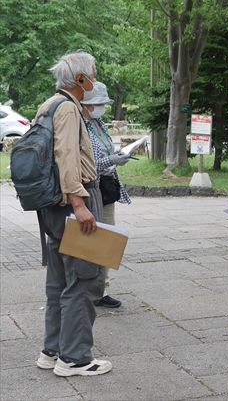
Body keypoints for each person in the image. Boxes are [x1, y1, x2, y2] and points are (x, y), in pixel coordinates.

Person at [34, 51, 112, 376]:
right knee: (83, 279)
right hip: (73, 201)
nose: (94, 79)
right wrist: (80, 204)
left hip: (50, 206)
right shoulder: (68, 108)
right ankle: (76, 358)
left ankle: (52, 351)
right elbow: (66, 156)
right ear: (80, 79)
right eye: (92, 74)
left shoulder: (48, 105)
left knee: (58, 280)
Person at [79, 81, 132, 309]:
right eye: (97, 103)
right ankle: (89, 289)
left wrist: (116, 155)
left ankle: (102, 288)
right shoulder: (80, 126)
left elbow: (106, 151)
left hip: (108, 187)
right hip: (91, 189)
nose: (101, 107)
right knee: (92, 240)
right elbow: (86, 165)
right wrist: (111, 160)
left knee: (108, 238)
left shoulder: (99, 123)